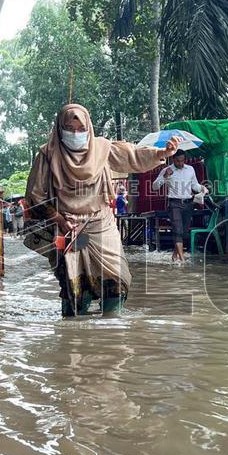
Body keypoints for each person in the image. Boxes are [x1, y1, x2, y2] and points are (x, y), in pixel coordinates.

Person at [25, 103, 178, 317]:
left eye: (81, 129)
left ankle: (111, 336)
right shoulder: (47, 154)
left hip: (102, 224)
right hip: (68, 228)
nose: (76, 134)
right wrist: (60, 220)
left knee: (116, 281)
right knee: (74, 290)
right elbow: (35, 196)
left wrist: (163, 152)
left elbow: (133, 156)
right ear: (59, 129)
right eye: (69, 129)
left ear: (89, 128)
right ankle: (72, 340)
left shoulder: (103, 149)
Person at [152, 150, 203, 263]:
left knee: (184, 232)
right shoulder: (166, 170)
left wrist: (202, 188)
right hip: (174, 203)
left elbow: (194, 184)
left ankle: (175, 255)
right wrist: (165, 176)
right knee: (178, 230)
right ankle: (182, 259)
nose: (180, 163)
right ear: (173, 159)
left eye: (182, 160)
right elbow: (154, 186)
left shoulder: (190, 169)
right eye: (178, 161)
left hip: (188, 203)